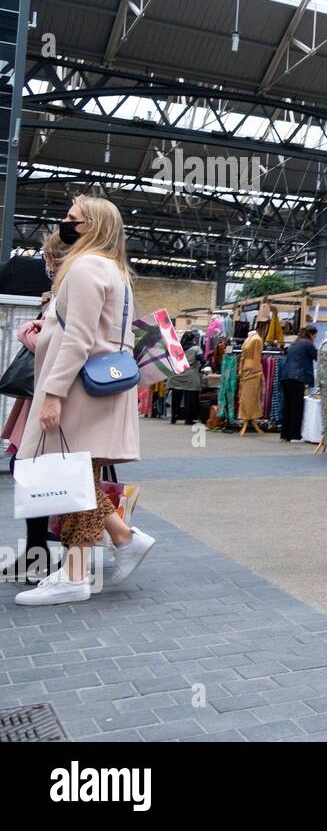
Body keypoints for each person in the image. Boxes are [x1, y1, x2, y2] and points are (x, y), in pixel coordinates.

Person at [14, 196, 156, 606]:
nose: (65, 224)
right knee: (77, 477)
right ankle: (110, 546)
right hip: (101, 387)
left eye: (72, 219)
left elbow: (78, 337)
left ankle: (88, 566)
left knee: (70, 475)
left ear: (91, 226)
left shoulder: (86, 267)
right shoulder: (113, 269)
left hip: (79, 388)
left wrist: (53, 394)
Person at [1, 231, 69, 585]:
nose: (46, 265)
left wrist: (27, 330)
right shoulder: (60, 294)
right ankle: (38, 551)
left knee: (41, 471)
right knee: (30, 469)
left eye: (49, 259)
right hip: (40, 396)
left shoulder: (71, 292)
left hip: (51, 396)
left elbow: (55, 344)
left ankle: (53, 553)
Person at [279, 324, 318, 441]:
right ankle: (295, 434)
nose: (315, 338)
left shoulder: (295, 343)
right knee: (297, 407)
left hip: (286, 377)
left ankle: (285, 434)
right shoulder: (308, 343)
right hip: (297, 378)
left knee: (287, 407)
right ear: (311, 334)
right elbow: (318, 357)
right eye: (315, 335)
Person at [167, 331, 203, 426]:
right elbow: (202, 360)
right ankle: (188, 419)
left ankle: (174, 417)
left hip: (176, 376)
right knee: (189, 399)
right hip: (190, 376)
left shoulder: (177, 348)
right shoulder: (196, 349)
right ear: (193, 339)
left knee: (176, 399)